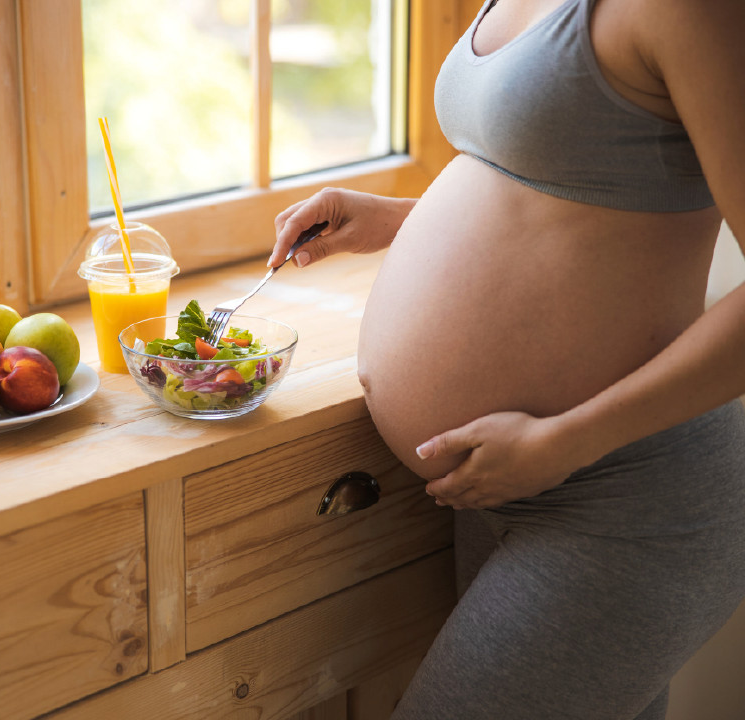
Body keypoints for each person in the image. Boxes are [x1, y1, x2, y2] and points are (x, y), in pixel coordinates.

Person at [267, 0, 745, 717]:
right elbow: (560, 183)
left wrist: (568, 439)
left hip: (626, 496)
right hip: (504, 484)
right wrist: (402, 218)